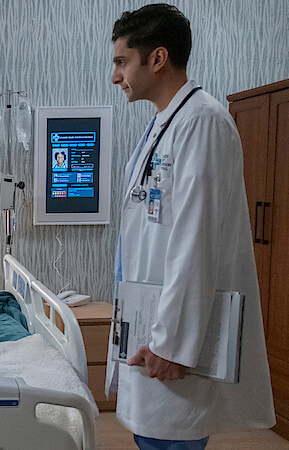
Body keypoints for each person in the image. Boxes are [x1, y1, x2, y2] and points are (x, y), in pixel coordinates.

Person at [108, 4, 274, 448]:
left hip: (172, 332)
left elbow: (195, 242)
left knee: (170, 439)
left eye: (122, 61)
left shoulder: (203, 122)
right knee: (154, 437)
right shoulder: (166, 123)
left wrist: (172, 344)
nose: (115, 76)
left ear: (157, 59)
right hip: (150, 318)